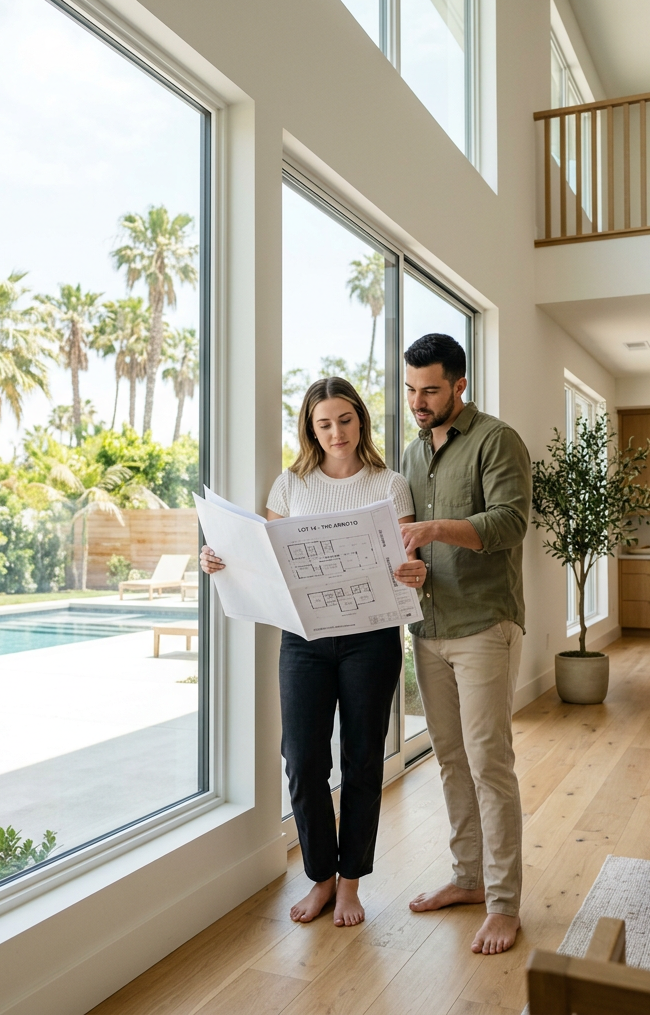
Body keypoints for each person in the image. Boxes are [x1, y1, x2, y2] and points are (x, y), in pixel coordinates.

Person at [199, 377, 426, 927]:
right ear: (309, 428)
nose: (336, 432)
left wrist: (415, 572)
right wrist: (219, 558)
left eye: (345, 420)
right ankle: (321, 876)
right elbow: (267, 562)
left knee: (362, 759)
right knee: (301, 758)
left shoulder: (391, 485)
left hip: (370, 640)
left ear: (361, 421)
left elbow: (403, 566)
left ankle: (351, 884)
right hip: (303, 641)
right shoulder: (289, 486)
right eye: (324, 423)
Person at [399, 333, 531, 956]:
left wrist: (433, 529)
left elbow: (510, 522)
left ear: (459, 385)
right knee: (449, 762)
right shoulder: (410, 454)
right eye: (410, 390)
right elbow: (410, 546)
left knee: (488, 765)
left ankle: (504, 904)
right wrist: (412, 562)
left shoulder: (496, 440)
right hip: (428, 629)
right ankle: (468, 879)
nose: (418, 402)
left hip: (484, 626)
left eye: (429, 389)